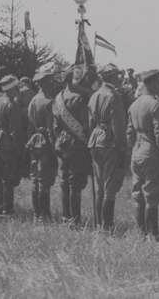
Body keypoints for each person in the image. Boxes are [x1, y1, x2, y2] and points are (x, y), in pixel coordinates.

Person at [127, 70, 159, 240]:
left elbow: (129, 133)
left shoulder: (134, 105)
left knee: (138, 193)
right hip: (151, 150)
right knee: (152, 194)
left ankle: (141, 232)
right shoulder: (155, 104)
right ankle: (153, 234)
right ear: (151, 83)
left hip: (136, 150)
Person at [87, 63, 129, 231]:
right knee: (110, 187)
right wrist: (122, 147)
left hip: (95, 139)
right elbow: (118, 125)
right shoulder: (113, 96)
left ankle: (99, 225)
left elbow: (90, 122)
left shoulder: (94, 96)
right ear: (111, 77)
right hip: (109, 141)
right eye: (117, 75)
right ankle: (107, 226)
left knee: (99, 186)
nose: (119, 78)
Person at [53, 66, 92, 226]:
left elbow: (55, 126)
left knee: (64, 182)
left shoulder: (58, 97)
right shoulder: (81, 97)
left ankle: (65, 217)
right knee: (75, 183)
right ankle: (75, 220)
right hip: (77, 144)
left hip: (61, 143)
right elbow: (86, 123)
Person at [26, 63, 59, 222]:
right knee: (44, 180)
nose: (52, 83)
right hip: (46, 142)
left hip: (34, 141)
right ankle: (44, 215)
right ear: (45, 82)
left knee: (35, 178)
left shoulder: (33, 100)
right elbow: (52, 127)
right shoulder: (49, 101)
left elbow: (30, 122)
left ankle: (36, 214)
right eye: (50, 80)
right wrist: (55, 147)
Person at [0, 75, 26, 216]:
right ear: (14, 88)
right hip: (9, 145)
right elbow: (15, 131)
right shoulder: (13, 104)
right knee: (9, 179)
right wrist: (20, 150)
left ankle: (0, 208)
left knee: (0, 178)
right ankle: (8, 210)